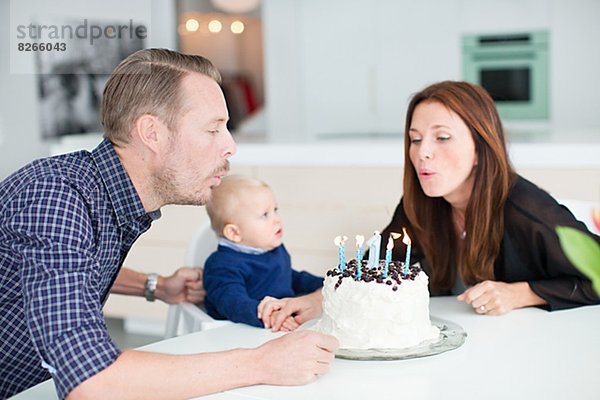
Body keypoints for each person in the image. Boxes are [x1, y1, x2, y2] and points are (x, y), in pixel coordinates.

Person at [0, 48, 338, 399]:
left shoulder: (98, 192)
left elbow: (63, 269)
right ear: (152, 133)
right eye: (213, 130)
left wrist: (156, 286)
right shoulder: (55, 198)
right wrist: (261, 363)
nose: (230, 146)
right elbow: (90, 381)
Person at [377, 80, 600, 315]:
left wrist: (521, 293)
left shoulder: (526, 209)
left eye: (442, 137)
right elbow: (373, 266)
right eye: (415, 139)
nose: (423, 152)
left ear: (480, 147)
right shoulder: (420, 204)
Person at [204, 175, 323, 330]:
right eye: (265, 215)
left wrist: (324, 284)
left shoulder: (271, 248)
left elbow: (286, 276)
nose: (277, 219)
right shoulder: (221, 265)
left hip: (281, 322)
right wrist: (269, 316)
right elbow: (233, 303)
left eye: (275, 210)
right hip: (242, 331)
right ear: (234, 233)